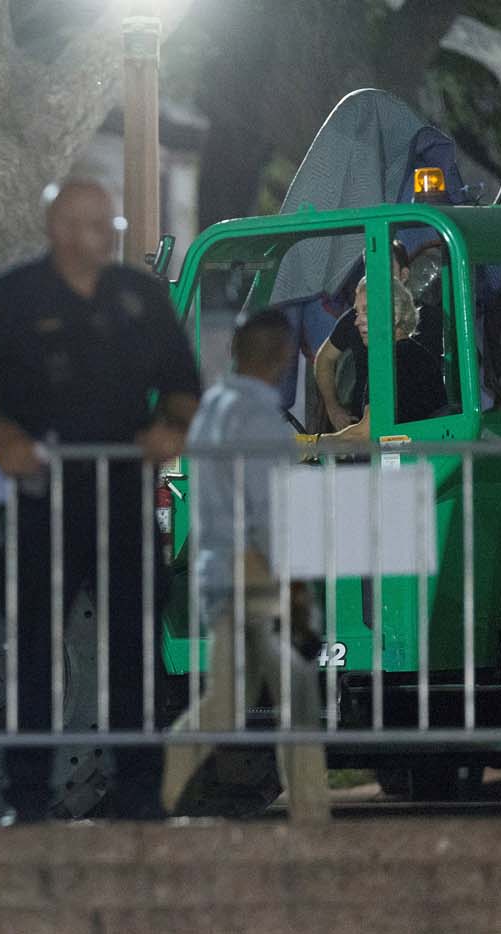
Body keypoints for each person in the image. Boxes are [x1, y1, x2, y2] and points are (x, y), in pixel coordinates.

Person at [0, 178, 201, 821]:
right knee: (34, 649)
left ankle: (139, 797)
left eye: (107, 224)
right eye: (87, 224)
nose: (100, 236)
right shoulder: (11, 298)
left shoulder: (138, 298)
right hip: (44, 498)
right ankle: (27, 800)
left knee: (133, 649)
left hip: (125, 495)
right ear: (57, 227)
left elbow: (184, 386)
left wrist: (173, 428)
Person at [159, 310, 330, 822]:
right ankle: (313, 815)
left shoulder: (213, 408)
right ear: (280, 356)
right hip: (255, 574)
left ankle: (156, 795)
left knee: (226, 704)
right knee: (296, 700)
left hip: (218, 570)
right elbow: (266, 512)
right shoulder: (258, 419)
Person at [326, 279, 448, 440]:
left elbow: (366, 433)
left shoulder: (391, 362)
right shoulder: (413, 353)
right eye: (357, 312)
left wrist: (315, 444)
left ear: (395, 315)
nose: (356, 321)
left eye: (367, 311)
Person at [314, 241, 411, 429]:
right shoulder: (352, 318)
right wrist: (333, 408)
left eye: (385, 267)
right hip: (364, 428)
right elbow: (324, 359)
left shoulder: (430, 318)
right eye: (370, 268)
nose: (360, 320)